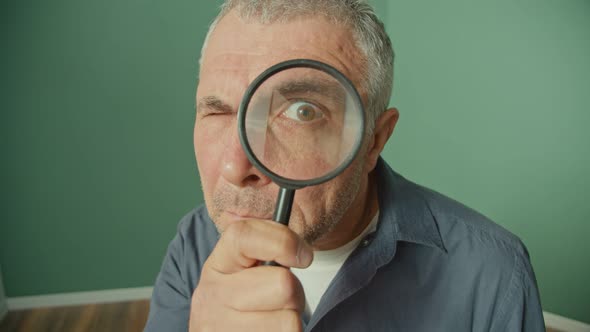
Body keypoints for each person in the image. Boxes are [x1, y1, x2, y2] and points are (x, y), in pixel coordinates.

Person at [144, 1, 545, 331]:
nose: (235, 166)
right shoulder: (195, 243)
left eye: (302, 111)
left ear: (374, 140)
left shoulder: (492, 272)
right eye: (216, 112)